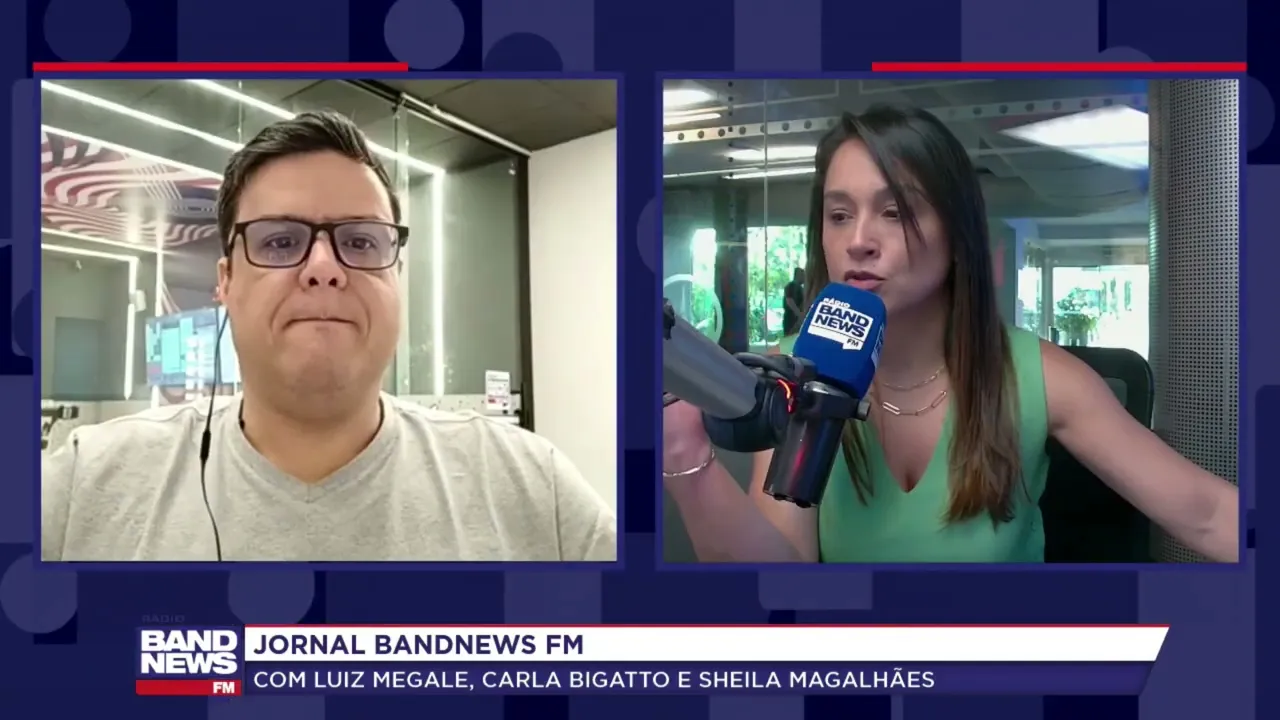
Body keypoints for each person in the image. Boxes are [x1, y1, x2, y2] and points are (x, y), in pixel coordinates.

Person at [663, 106, 1239, 564]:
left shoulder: (1041, 377)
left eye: (895, 212)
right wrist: (687, 459)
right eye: (839, 215)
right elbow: (777, 580)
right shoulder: (793, 375)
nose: (858, 240)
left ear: (957, 234)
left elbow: (1209, 514)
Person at [42, 111, 616, 562]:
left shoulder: (532, 489)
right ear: (226, 281)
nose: (324, 267)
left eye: (361, 241)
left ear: (397, 276)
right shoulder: (80, 487)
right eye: (279, 241)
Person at [782, 267, 805, 336]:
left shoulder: (800, 287)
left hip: (795, 320)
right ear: (798, 275)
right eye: (803, 275)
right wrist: (799, 314)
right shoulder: (792, 285)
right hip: (791, 320)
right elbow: (789, 301)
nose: (805, 277)